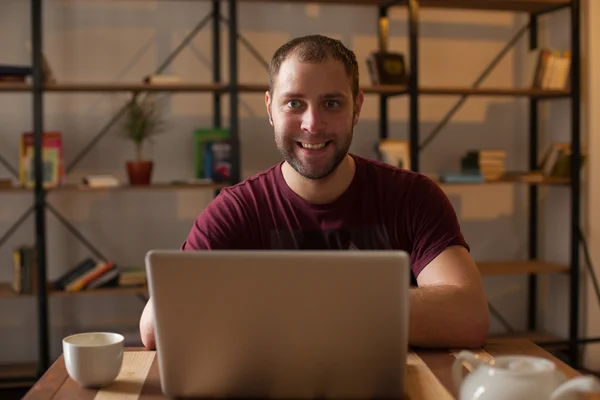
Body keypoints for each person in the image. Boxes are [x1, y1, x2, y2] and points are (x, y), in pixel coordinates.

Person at [140, 34, 490, 351]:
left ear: (357, 108)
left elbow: (468, 316)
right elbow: (156, 328)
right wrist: (350, 310)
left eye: (332, 104)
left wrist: (288, 307)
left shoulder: (413, 196)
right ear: (270, 109)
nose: (312, 124)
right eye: (294, 103)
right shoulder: (236, 209)